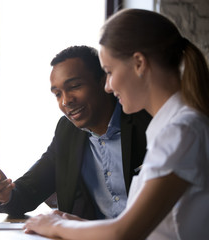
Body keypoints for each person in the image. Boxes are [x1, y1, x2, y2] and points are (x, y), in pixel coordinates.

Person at [24, 8, 209, 240]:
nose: (108, 86)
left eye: (109, 72)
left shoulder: (181, 131)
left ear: (139, 63)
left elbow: (124, 232)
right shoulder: (174, 127)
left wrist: (55, 225)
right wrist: (80, 225)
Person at [0, 46, 151, 220]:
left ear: (103, 81)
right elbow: (30, 190)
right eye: (58, 94)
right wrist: (4, 193)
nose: (66, 101)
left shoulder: (146, 122)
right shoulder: (68, 130)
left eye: (74, 86)